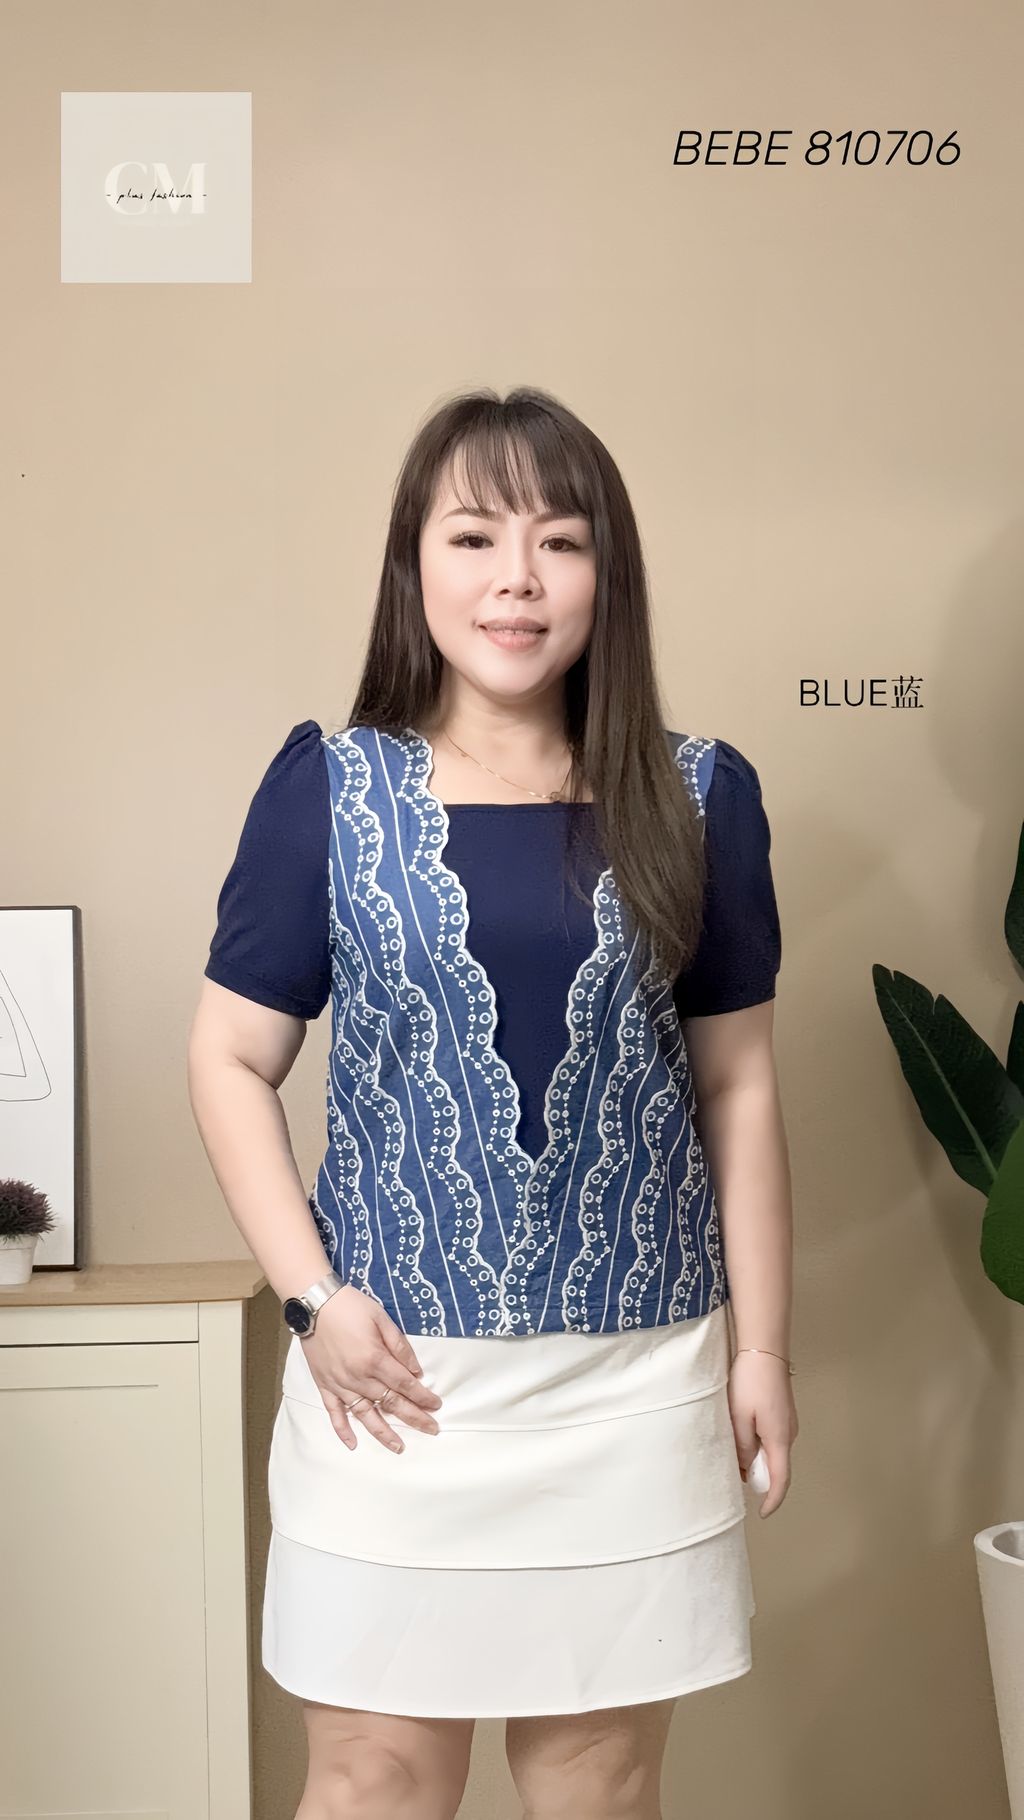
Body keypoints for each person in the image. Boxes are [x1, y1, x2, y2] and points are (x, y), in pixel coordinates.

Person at [187, 385, 798, 1820]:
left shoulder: (699, 795)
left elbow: (740, 1083)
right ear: (415, 564)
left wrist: (764, 1348)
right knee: (374, 1779)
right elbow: (228, 1060)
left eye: (559, 542)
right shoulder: (328, 792)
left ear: (606, 575)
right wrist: (314, 1303)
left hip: (635, 1378)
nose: (516, 578)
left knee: (599, 1781)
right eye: (473, 537)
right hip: (389, 1383)